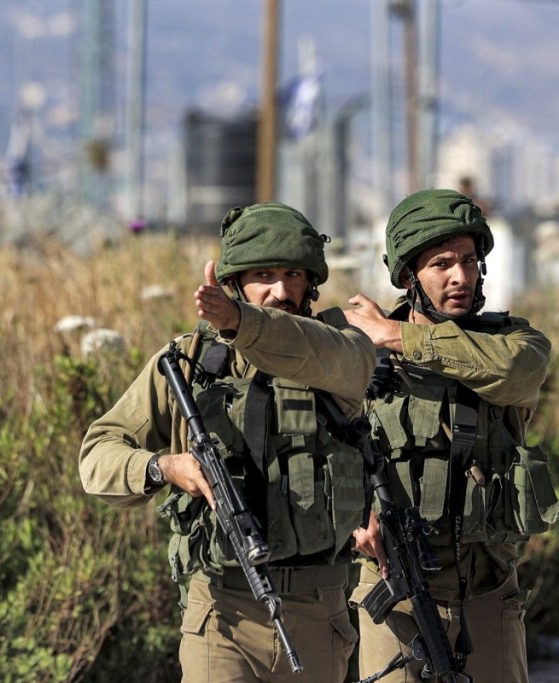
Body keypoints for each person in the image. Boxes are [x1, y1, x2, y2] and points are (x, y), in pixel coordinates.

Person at [79, 202, 377, 682]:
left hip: (316, 605)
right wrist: (165, 468)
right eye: (263, 275)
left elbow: (333, 360)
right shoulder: (189, 360)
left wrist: (244, 322)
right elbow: (98, 455)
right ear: (235, 281)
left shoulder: (341, 347)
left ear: (310, 282)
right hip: (221, 608)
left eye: (293, 275)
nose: (280, 291)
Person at [344, 189, 559, 682]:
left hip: (488, 589)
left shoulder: (512, 342)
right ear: (407, 277)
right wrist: (354, 518)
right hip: (394, 589)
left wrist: (395, 335)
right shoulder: (357, 352)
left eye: (468, 261)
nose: (461, 276)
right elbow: (314, 448)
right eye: (441, 264)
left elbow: (518, 372)